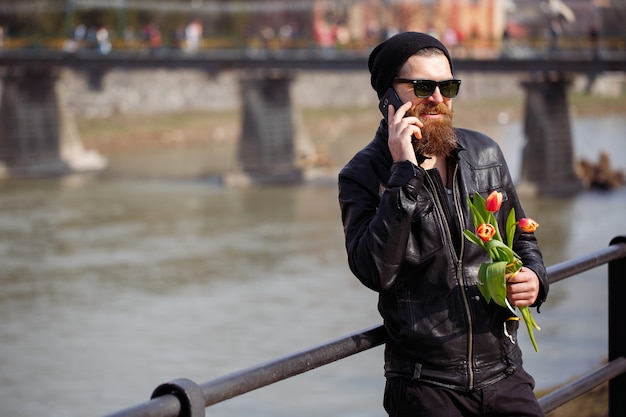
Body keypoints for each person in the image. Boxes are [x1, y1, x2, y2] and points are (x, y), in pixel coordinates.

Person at [338, 32, 549, 417]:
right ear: (388, 96)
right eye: (422, 86)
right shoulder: (362, 174)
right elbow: (374, 270)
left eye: (447, 86)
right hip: (426, 387)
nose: (437, 98)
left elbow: (522, 235)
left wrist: (535, 277)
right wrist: (403, 172)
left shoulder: (485, 153)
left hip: (504, 372)